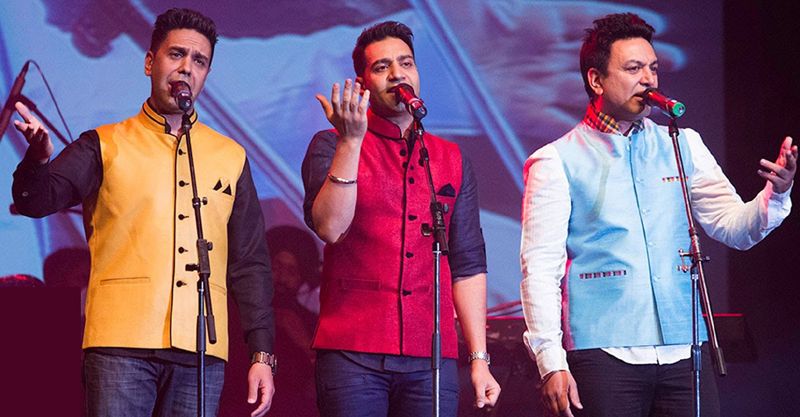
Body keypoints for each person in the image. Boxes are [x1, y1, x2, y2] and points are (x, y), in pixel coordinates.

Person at [519, 12, 797, 417]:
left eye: (652, 68)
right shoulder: (555, 160)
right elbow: (540, 269)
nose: (649, 80)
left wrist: (777, 193)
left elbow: (733, 227)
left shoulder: (682, 144)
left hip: (684, 350)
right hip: (603, 353)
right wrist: (550, 361)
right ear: (596, 80)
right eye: (633, 69)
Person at [11, 8, 276, 417]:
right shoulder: (103, 144)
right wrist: (38, 158)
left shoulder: (230, 156)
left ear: (206, 74)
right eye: (176, 54)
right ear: (150, 62)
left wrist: (261, 354)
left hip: (201, 351)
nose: (186, 68)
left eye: (199, 61)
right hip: (119, 345)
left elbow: (250, 262)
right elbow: (36, 201)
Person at [301, 21, 500, 417]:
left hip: (431, 357)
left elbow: (467, 263)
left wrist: (479, 358)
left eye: (406, 63)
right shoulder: (331, 144)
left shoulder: (451, 158)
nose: (397, 74)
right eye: (382, 67)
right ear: (363, 83)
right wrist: (351, 141)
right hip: (353, 351)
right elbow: (330, 227)